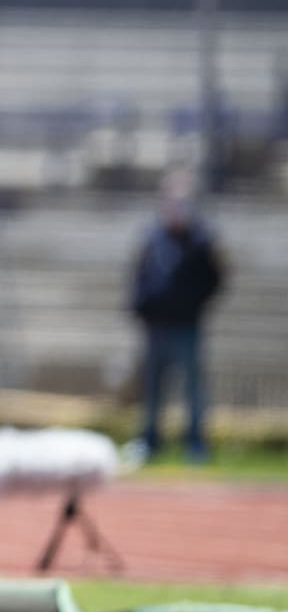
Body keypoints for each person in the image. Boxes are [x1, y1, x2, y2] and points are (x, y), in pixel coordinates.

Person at [126, 169, 226, 464]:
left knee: (193, 388)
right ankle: (149, 440)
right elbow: (140, 275)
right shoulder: (152, 237)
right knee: (152, 388)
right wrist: (141, 307)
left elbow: (215, 280)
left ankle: (195, 443)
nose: (176, 208)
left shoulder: (202, 240)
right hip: (156, 325)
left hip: (187, 325)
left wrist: (194, 305)